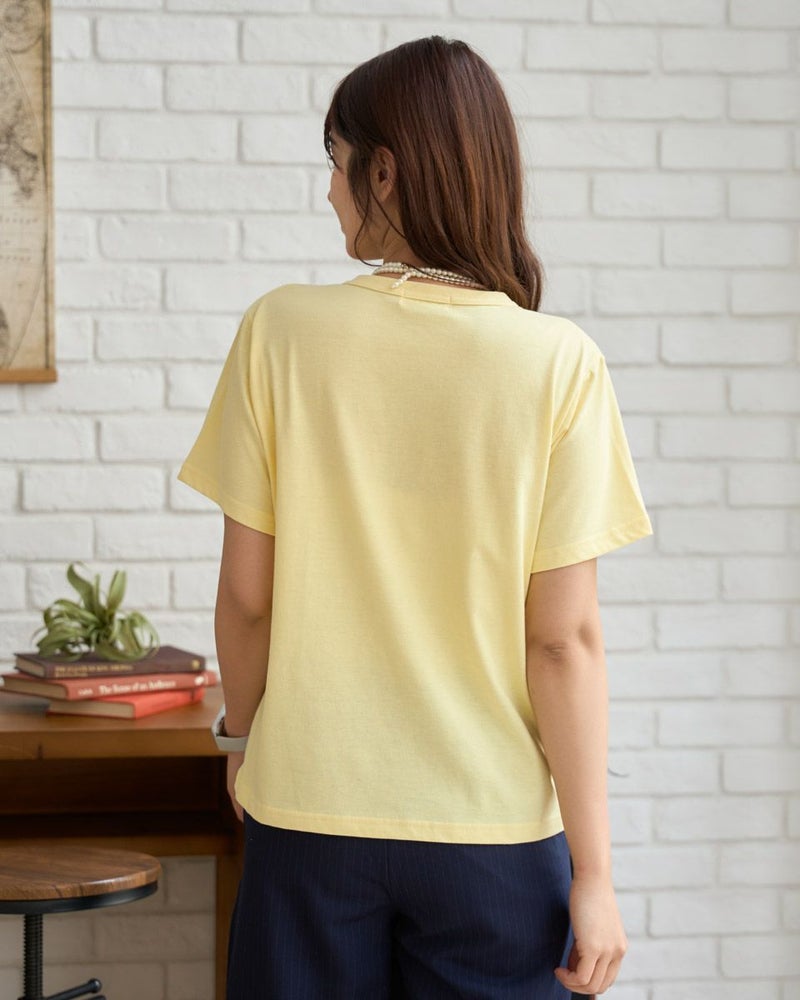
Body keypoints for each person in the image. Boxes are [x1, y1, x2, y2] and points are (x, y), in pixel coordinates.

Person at [178, 35, 653, 1000]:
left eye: (337, 161)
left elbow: (248, 598)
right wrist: (596, 875)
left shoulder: (280, 332)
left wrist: (243, 741)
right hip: (492, 838)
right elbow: (562, 642)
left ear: (385, 172)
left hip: (309, 816)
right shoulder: (558, 364)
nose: (330, 190)